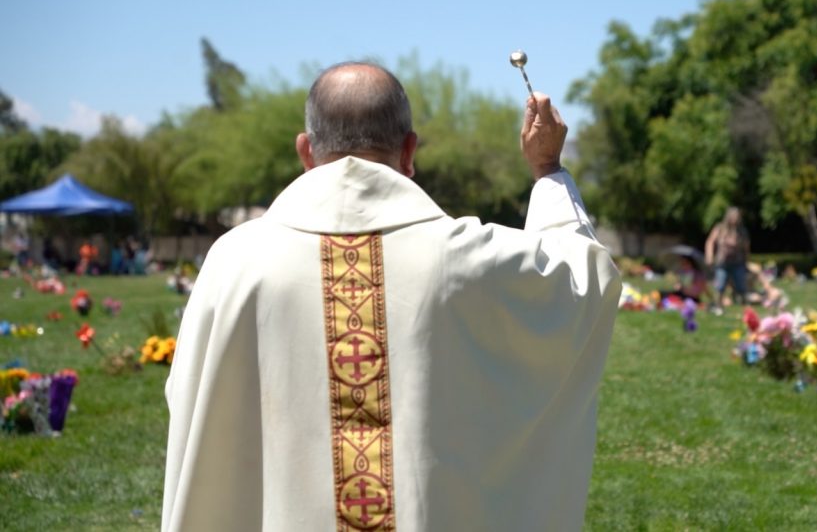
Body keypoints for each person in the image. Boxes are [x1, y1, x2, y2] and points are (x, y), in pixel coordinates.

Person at [161, 62, 622, 532]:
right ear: (409, 151)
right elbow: (580, 279)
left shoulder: (236, 261)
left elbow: (192, 398)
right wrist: (548, 171)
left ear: (305, 151)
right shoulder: (463, 257)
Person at [705, 206, 750, 313]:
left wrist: (746, 260)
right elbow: (710, 241)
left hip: (738, 262)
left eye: (737, 217)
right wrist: (709, 256)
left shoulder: (742, 231)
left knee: (741, 285)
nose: (735, 219)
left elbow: (746, 247)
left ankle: (746, 308)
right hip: (722, 262)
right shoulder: (720, 228)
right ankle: (718, 306)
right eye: (733, 217)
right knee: (720, 284)